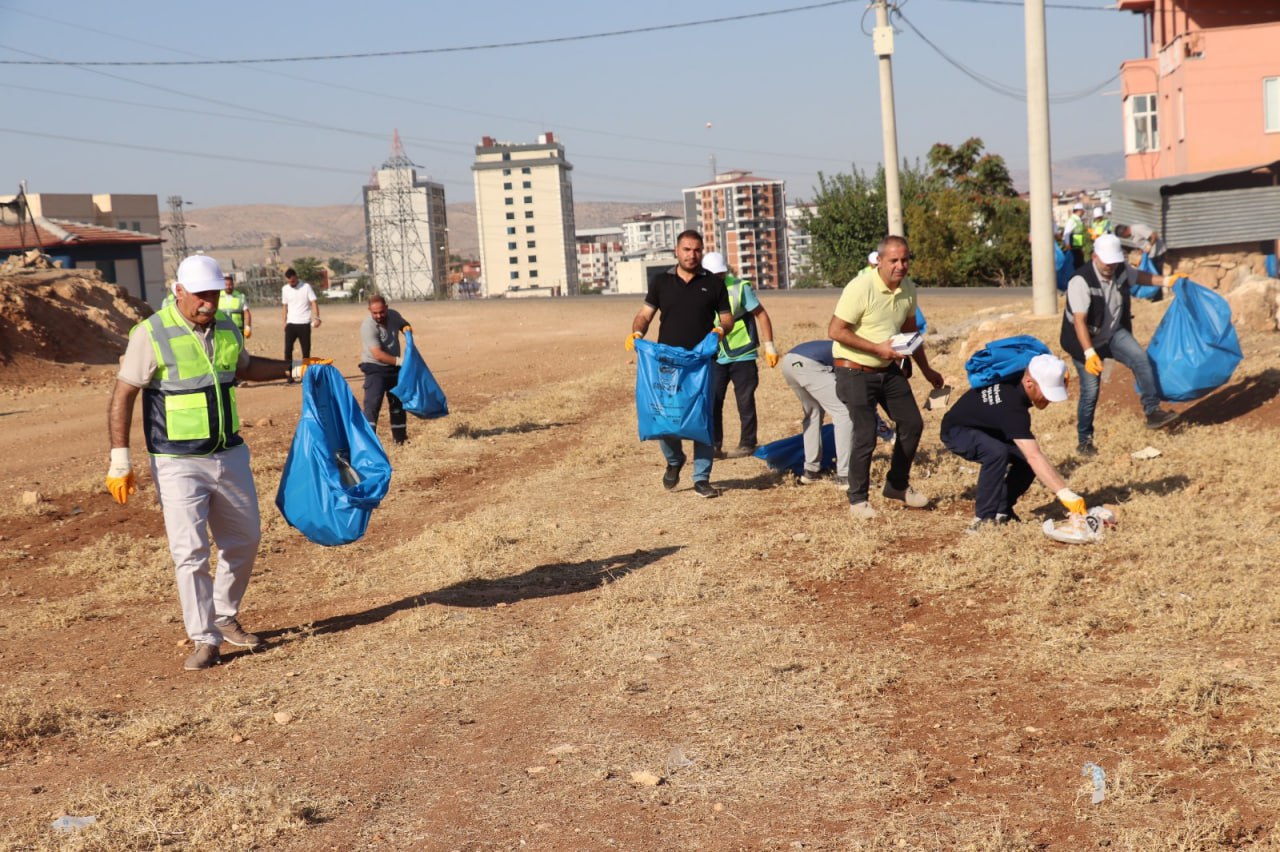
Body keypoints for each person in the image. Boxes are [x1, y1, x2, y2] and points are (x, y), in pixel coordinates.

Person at [106, 255, 325, 672]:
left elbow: (246, 368)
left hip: (229, 454)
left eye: (215, 295)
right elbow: (124, 394)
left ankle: (224, 615)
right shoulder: (151, 334)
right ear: (179, 292)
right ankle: (204, 638)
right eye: (202, 296)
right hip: (177, 462)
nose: (209, 303)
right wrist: (120, 457)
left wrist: (298, 369)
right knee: (190, 552)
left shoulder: (225, 325)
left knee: (245, 539)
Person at [828, 235, 945, 520]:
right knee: (866, 433)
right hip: (853, 369)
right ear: (879, 261)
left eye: (905, 259)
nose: (900, 265)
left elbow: (910, 332)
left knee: (912, 423)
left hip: (887, 369)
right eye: (893, 260)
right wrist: (877, 348)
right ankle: (857, 500)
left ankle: (896, 485)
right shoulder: (861, 287)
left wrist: (928, 371)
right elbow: (835, 330)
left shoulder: (907, 289)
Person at [627, 230, 733, 498]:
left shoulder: (714, 284)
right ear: (677, 251)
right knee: (665, 416)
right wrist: (637, 333)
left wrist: (720, 331)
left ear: (702, 251)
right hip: (667, 363)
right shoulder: (661, 282)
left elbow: (727, 318)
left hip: (700, 363)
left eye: (696, 250)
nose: (691, 255)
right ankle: (674, 460)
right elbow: (644, 314)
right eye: (686, 249)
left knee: (702, 418)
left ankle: (701, 478)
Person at [1060, 232, 1181, 456]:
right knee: (1091, 390)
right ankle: (1084, 441)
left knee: (1140, 359)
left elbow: (1140, 277)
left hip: (1113, 333)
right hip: (1084, 342)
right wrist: (1088, 353)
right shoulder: (1080, 280)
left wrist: (1167, 281)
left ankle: (1153, 412)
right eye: (1107, 262)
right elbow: (1079, 321)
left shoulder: (1120, 270)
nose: (1111, 267)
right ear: (1095, 256)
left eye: (1114, 262)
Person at [940, 353, 1089, 530]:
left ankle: (1002, 510)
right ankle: (983, 520)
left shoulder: (1019, 375)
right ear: (1029, 383)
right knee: (996, 452)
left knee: (1025, 462)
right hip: (957, 430)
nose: (1049, 400)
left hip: (988, 427)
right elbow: (1034, 455)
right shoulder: (1013, 410)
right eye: (1047, 392)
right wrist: (1065, 493)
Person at [702, 251, 777, 459]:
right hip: (715, 354)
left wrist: (770, 346)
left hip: (742, 352)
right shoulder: (700, 288)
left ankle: (747, 443)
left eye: (720, 273)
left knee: (745, 400)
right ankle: (714, 445)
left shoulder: (738, 287)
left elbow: (761, 314)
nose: (717, 277)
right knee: (714, 400)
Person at [360, 294, 412, 445]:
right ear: (369, 310)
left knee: (397, 404)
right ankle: (368, 443)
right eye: (374, 313)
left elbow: (404, 325)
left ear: (386, 308)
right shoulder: (367, 327)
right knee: (372, 405)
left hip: (394, 368)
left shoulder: (394, 315)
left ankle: (400, 439)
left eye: (381, 312)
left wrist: (407, 329)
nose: (378, 316)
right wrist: (402, 361)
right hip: (375, 368)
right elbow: (378, 355)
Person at [281, 267, 320, 382]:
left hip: (304, 323)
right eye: (288, 282)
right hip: (291, 324)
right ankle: (290, 375)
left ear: (296, 277)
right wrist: (284, 322)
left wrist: (317, 317)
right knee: (287, 350)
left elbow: (314, 302)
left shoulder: (306, 287)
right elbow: (285, 306)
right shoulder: (285, 289)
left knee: (306, 351)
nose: (291, 284)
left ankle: (305, 375)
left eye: (292, 281)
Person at [219, 273, 252, 338]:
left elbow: (246, 313)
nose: (228, 287)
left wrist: (248, 327)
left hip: (237, 330)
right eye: (226, 285)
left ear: (233, 285)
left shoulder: (240, 297)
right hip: (221, 331)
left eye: (230, 285)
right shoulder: (218, 297)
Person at [1063, 203, 1087, 268]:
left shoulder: (1078, 220)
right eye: (1083, 211)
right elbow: (1067, 232)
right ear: (1079, 210)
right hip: (1072, 247)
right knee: (1076, 264)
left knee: (1080, 264)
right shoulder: (1072, 220)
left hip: (1077, 246)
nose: (1084, 212)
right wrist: (1067, 244)